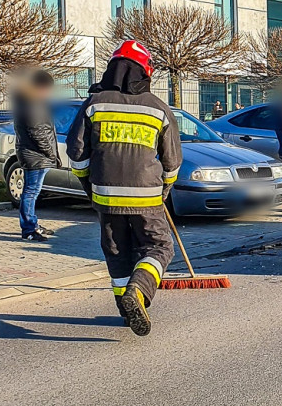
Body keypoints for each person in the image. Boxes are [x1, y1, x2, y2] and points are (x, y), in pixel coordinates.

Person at [66, 41, 182, 336]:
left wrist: (90, 187)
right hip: (146, 195)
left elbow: (77, 153)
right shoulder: (157, 108)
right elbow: (172, 162)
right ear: (145, 72)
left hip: (105, 195)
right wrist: (164, 190)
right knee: (159, 246)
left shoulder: (95, 103)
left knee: (116, 250)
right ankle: (139, 289)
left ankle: (126, 308)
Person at [12, 69, 58, 242]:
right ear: (41, 87)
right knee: (31, 191)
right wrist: (50, 152)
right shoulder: (32, 103)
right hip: (35, 154)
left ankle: (32, 223)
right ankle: (29, 229)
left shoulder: (30, 101)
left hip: (34, 154)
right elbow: (37, 131)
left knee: (32, 191)